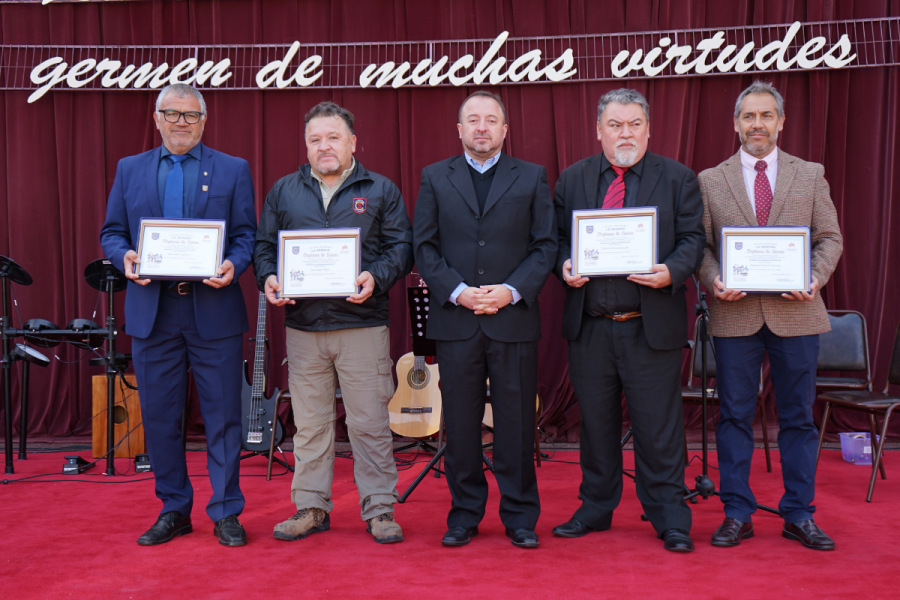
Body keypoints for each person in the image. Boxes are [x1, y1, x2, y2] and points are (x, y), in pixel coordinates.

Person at [100, 83, 257, 547]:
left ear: (204, 120)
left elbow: (246, 234)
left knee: (224, 416)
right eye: (172, 114)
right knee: (161, 416)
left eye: (190, 115)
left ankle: (226, 511)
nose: (181, 122)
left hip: (213, 310)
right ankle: (173, 508)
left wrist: (235, 264)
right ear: (157, 119)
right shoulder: (129, 170)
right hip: (154, 313)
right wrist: (125, 257)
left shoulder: (232, 169)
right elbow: (112, 232)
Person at [253, 101, 413, 544]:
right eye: (315, 139)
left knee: (369, 423)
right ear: (306, 147)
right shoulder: (284, 191)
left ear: (353, 143)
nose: (325, 146)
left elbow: (401, 247)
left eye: (334, 137)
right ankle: (310, 507)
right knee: (311, 424)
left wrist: (374, 277)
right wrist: (268, 275)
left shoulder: (380, 189)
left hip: (362, 325)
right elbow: (264, 248)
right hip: (304, 328)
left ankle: (380, 509)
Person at [552, 88, 705, 552]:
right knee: (595, 426)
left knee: (659, 429)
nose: (625, 133)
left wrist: (671, 272)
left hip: (649, 325)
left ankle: (670, 516)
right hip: (592, 326)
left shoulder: (678, 178)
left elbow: (694, 239)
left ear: (649, 128)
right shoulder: (572, 179)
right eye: (615, 125)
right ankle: (596, 508)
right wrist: (563, 265)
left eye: (634, 124)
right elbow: (556, 239)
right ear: (598, 130)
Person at [697, 81, 843, 551]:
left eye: (766, 116)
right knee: (734, 416)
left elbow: (830, 238)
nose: (756, 124)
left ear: (781, 121)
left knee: (798, 418)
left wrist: (815, 277)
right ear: (736, 123)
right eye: (748, 117)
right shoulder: (710, 180)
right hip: (735, 314)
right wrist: (714, 278)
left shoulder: (810, 174)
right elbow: (699, 247)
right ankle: (737, 512)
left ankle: (799, 513)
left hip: (796, 313)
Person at [413, 91, 557, 548]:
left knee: (515, 424)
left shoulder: (532, 177)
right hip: (457, 320)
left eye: (490, 120)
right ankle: (464, 514)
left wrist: (509, 291)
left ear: (504, 130)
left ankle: (519, 517)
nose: (481, 127)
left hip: (511, 318)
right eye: (472, 120)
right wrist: (459, 292)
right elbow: (426, 247)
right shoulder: (435, 177)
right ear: (459, 130)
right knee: (459, 423)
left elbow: (545, 246)